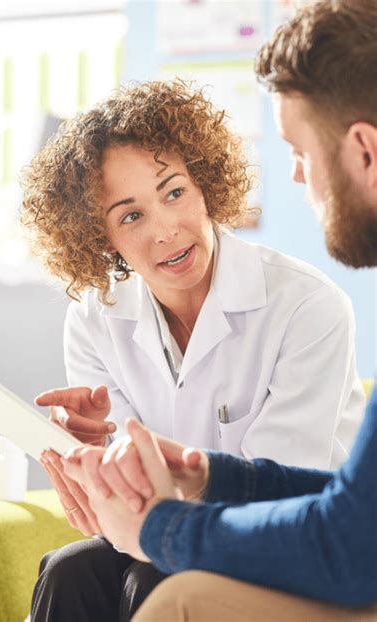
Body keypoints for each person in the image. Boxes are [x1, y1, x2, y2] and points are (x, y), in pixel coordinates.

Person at [50, 0, 377, 619]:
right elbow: (354, 502)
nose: (296, 174)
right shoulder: (96, 316)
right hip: (302, 534)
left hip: (304, 557)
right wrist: (201, 476)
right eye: (131, 215)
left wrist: (165, 526)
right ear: (100, 235)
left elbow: (338, 536)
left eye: (300, 149)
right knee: (69, 573)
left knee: (167, 590)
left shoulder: (309, 304)